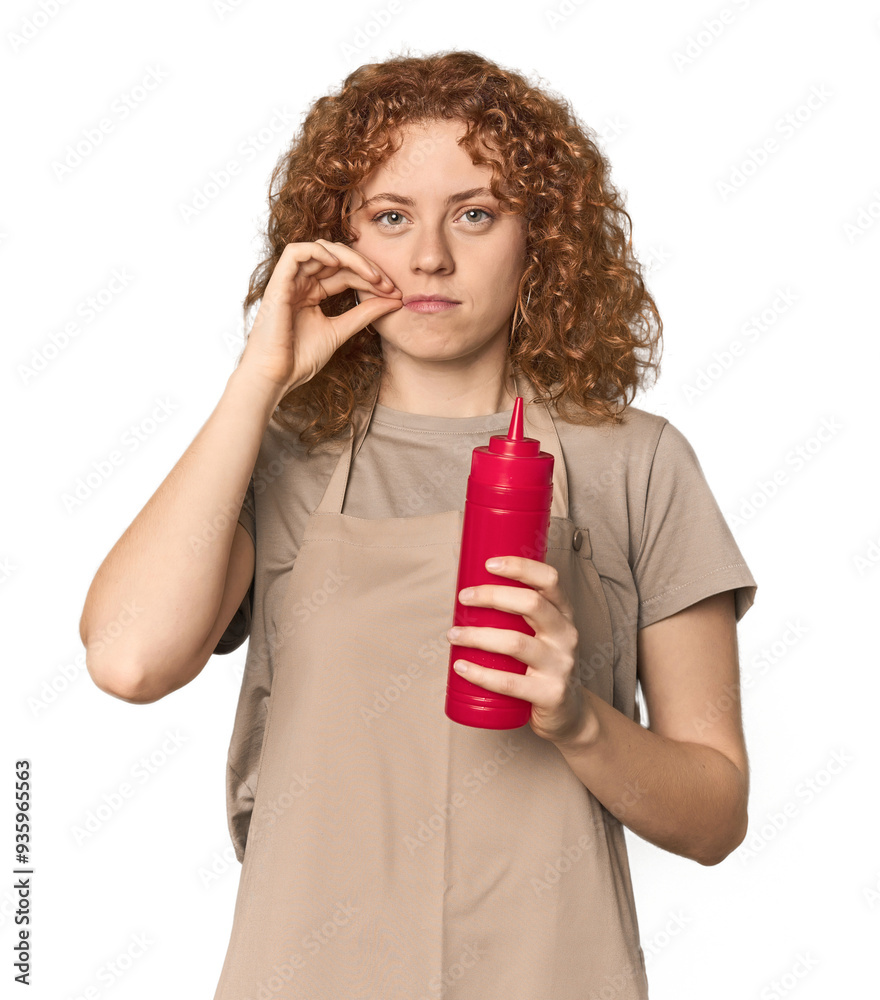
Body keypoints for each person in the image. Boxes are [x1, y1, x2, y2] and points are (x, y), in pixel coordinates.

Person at [80, 50, 758, 1000]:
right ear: (339, 241)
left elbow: (714, 816)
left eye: (474, 214)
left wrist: (576, 721)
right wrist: (260, 379)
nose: (430, 257)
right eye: (391, 218)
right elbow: (126, 658)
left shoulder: (637, 463)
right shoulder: (278, 452)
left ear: (542, 238)